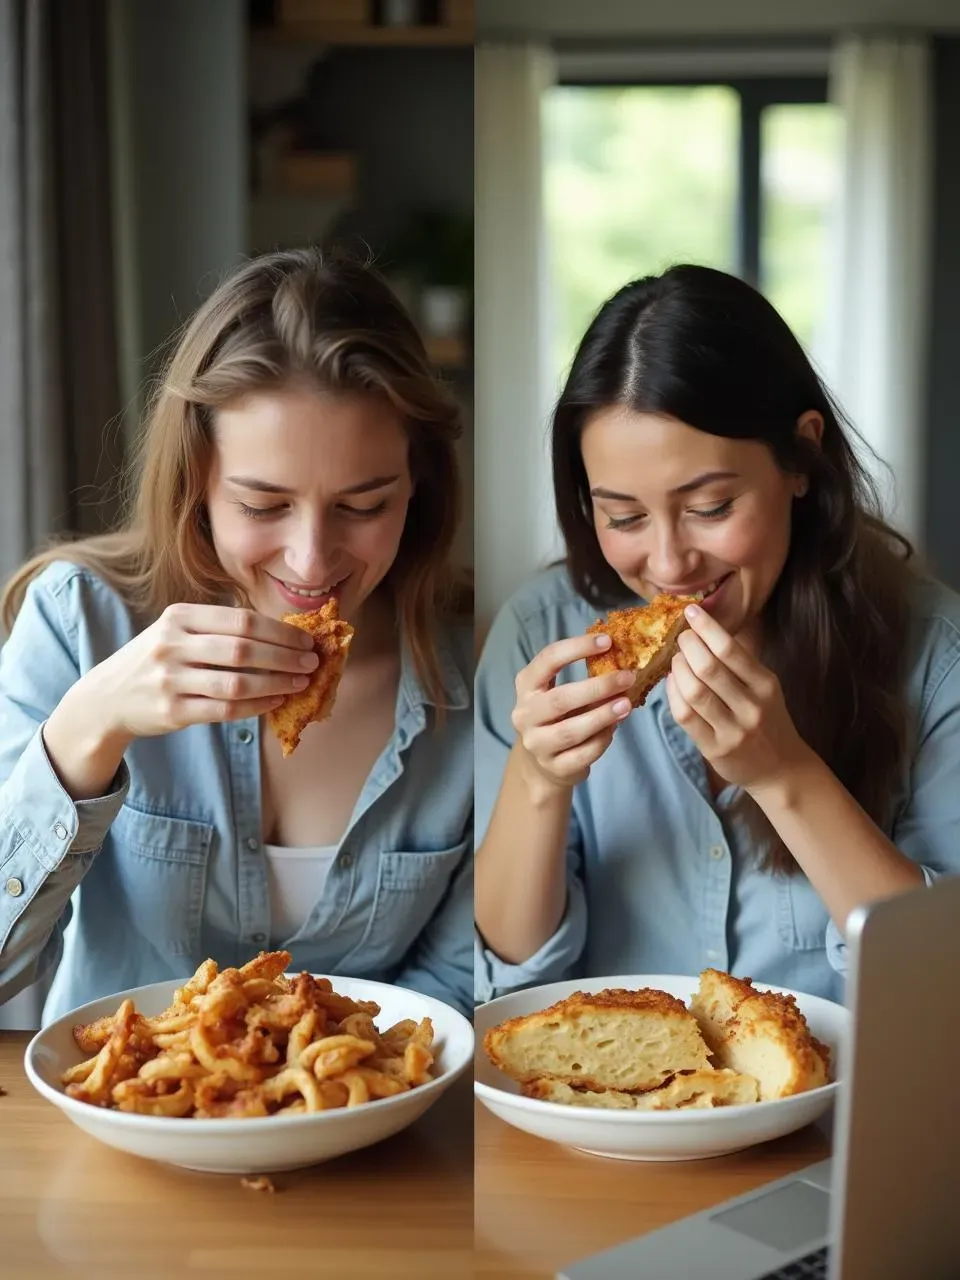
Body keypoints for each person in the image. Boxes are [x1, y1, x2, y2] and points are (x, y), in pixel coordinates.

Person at [0, 247, 473, 1023]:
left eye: (363, 506)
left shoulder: (472, 663)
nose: (312, 559)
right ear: (198, 485)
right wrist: (92, 726)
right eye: (262, 506)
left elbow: (458, 990)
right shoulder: (78, 620)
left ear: (416, 486)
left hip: (378, 1136)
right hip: (117, 1123)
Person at [475, 263, 960, 1006]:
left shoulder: (938, 656)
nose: (668, 563)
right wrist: (538, 784)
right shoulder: (540, 635)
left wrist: (785, 775)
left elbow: (938, 987)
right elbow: (507, 976)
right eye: (624, 517)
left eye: (710, 505)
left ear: (802, 459)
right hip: (604, 1115)